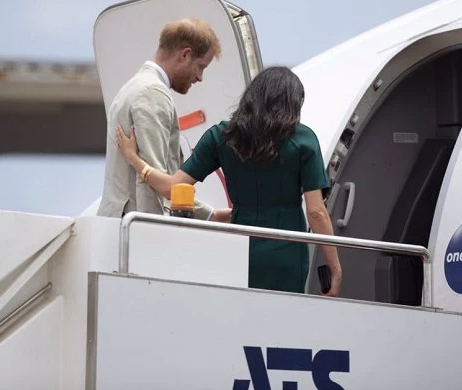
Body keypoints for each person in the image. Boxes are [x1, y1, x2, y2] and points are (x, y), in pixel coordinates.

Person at [115, 66, 342, 296]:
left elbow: (172, 188)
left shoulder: (221, 136)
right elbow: (316, 212)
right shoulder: (304, 140)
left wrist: (134, 159)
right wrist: (335, 266)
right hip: (286, 253)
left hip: (239, 251)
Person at [97, 18, 230, 222]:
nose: (200, 77)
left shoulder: (133, 86)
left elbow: (156, 179)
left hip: (118, 225)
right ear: (185, 54)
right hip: (137, 231)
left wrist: (210, 215)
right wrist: (154, 235)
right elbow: (150, 184)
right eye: (201, 66)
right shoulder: (152, 93)